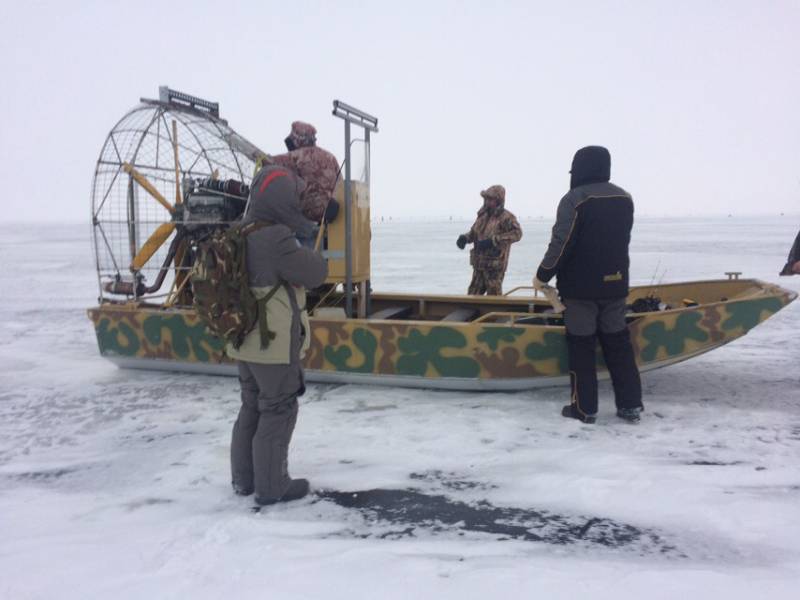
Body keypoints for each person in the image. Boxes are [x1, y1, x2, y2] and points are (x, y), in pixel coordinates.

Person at [227, 164, 327, 505]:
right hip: (272, 344)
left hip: (243, 341)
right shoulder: (276, 238)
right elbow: (315, 273)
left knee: (251, 407)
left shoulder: (240, 231)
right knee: (279, 409)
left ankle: (244, 481)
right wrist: (309, 240)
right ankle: (272, 487)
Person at [534, 146, 643, 424]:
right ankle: (630, 406)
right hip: (616, 286)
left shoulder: (575, 199)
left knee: (581, 348)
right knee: (618, 345)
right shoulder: (625, 197)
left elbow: (562, 243)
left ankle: (584, 409)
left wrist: (544, 274)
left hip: (581, 291)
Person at [457, 185, 522, 295]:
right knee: (473, 294)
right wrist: (465, 238)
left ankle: (495, 312)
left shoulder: (506, 217)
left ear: (499, 200)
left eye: (490, 199)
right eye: (486, 199)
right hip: (479, 264)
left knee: (494, 296)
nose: (487, 201)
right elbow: (474, 232)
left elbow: (517, 234)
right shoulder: (483, 215)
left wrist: (494, 240)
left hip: (494, 266)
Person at [271, 121, 340, 224]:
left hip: (306, 218)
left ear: (297, 139)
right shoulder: (330, 157)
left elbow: (267, 161)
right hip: (331, 216)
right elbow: (341, 185)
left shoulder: (294, 156)